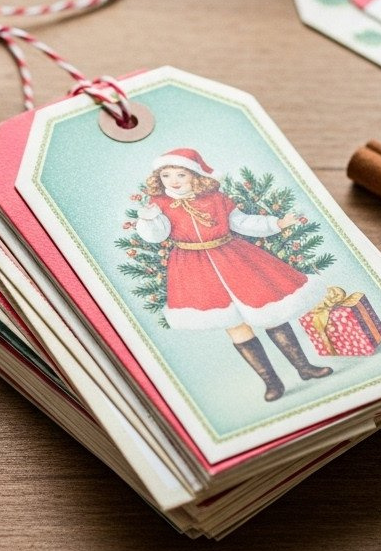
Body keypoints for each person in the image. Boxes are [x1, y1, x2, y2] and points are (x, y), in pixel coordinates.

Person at [134, 148, 333, 402]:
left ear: (195, 175)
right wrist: (149, 219)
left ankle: (304, 368)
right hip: (193, 267)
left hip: (234, 257)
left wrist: (276, 224)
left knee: (271, 311)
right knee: (235, 324)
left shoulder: (216, 198)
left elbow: (241, 222)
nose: (173, 181)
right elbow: (156, 236)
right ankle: (272, 382)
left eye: (180, 174)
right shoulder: (159, 205)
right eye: (166, 175)